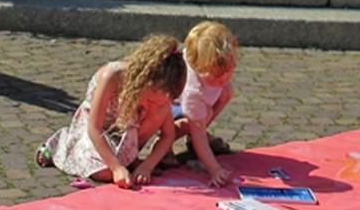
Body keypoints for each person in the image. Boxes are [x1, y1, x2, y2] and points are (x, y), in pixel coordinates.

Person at [34, 34, 188, 189]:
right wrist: (116, 168)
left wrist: (147, 166)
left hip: (125, 130)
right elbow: (94, 127)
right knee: (105, 172)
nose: (150, 106)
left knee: (160, 111)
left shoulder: (161, 94)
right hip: (97, 129)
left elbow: (168, 135)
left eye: (159, 102)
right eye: (149, 100)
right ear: (142, 81)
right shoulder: (113, 75)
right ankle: (61, 143)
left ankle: (129, 159)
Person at [170, 20, 239, 188]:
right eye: (216, 76)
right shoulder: (193, 90)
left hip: (189, 103)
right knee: (195, 124)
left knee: (227, 91)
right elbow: (198, 132)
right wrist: (214, 169)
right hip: (169, 108)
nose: (223, 79)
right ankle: (164, 143)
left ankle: (193, 135)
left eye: (228, 72)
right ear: (199, 68)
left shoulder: (212, 63)